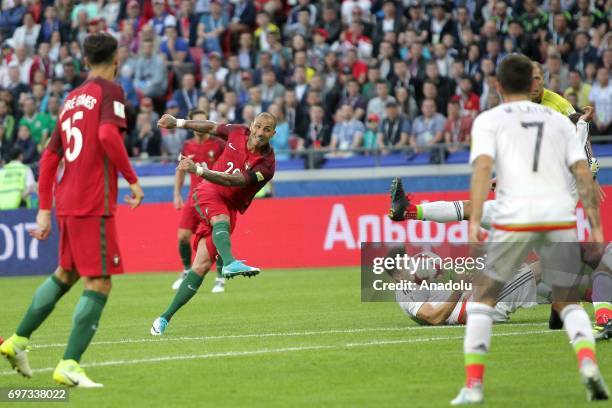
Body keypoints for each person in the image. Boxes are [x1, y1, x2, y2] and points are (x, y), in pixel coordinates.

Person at [449, 54, 607, 404]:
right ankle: (588, 366)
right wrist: (594, 223)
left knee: (483, 301)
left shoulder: (489, 121)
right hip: (557, 215)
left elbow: (482, 171)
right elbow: (583, 173)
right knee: (567, 303)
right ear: (533, 83)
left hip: (515, 215)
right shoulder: (560, 120)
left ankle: (473, 387)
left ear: (499, 85)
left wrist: (475, 221)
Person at [0, 33, 144, 388]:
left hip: (67, 200)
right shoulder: (110, 91)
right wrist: (131, 179)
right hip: (92, 201)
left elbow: (50, 157)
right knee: (100, 282)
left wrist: (44, 209)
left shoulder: (72, 98)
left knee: (67, 273)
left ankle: (17, 341)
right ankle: (69, 364)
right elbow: (109, 136)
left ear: (84, 60)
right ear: (116, 59)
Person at [150, 111, 276, 336]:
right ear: (252, 125)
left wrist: (199, 170)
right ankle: (229, 262)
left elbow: (234, 180)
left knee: (200, 266)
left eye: (267, 130)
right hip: (207, 191)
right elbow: (210, 127)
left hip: (229, 205)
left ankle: (163, 318)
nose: (260, 133)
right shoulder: (237, 131)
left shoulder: (266, 165)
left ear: (273, 134)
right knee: (220, 221)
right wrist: (178, 123)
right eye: (258, 126)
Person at [385, 248, 538, 326]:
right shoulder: (406, 291)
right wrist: (459, 290)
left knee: (517, 267)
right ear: (398, 276)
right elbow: (433, 317)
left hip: (472, 299)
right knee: (534, 271)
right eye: (406, 264)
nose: (413, 264)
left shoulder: (420, 280)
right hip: (475, 309)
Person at [171, 109, 226, 293]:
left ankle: (220, 277)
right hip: (193, 199)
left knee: (217, 237)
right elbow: (180, 170)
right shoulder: (187, 145)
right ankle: (186, 270)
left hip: (214, 198)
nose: (201, 126)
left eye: (204, 121)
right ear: (192, 125)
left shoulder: (218, 144)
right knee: (182, 237)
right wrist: (177, 193)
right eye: (197, 122)